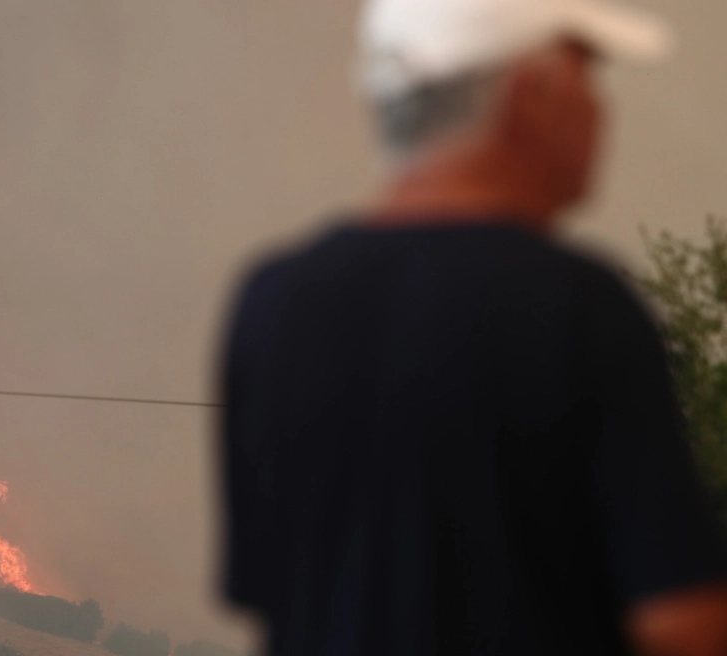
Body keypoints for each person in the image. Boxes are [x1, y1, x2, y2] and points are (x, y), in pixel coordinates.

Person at [218, 0, 727, 654]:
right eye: (587, 79)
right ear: (529, 96)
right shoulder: (579, 311)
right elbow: (683, 623)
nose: (601, 111)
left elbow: (272, 595)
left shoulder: (271, 305)